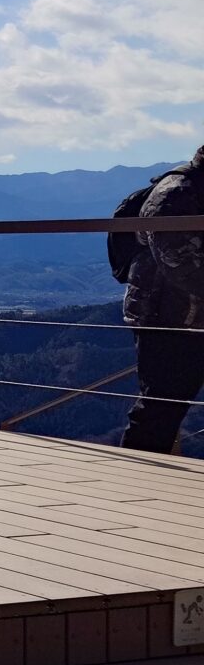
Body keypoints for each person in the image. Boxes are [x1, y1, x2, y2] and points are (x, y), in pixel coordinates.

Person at [121, 145, 204, 453]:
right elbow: (179, 263)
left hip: (187, 316)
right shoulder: (175, 193)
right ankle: (136, 476)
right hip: (167, 318)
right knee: (161, 407)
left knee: (163, 406)